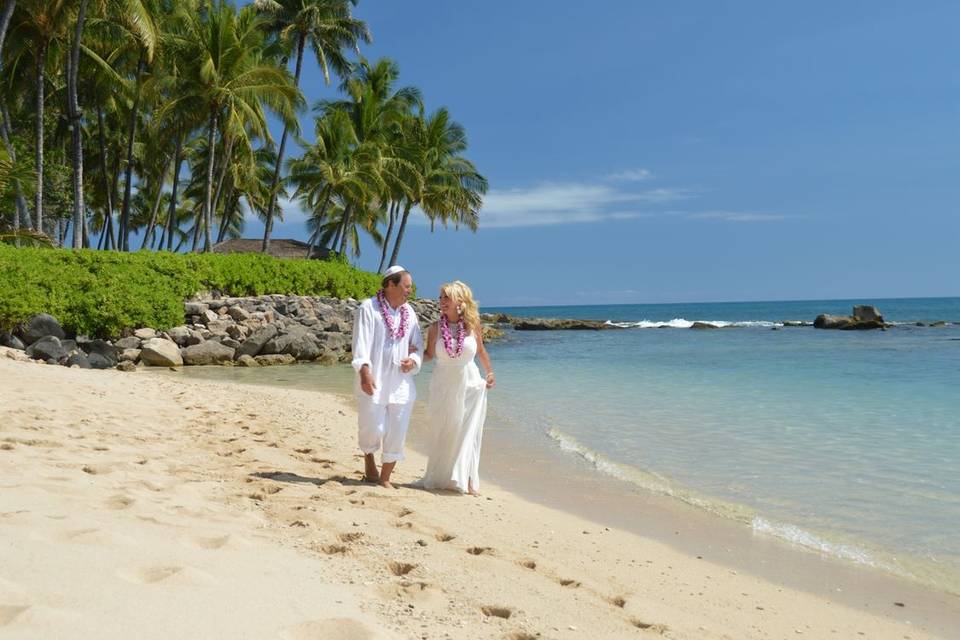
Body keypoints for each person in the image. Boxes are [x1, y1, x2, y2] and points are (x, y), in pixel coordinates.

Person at [351, 265, 424, 488]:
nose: (409, 291)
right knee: (372, 427)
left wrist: (413, 360)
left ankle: (385, 478)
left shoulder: (409, 312)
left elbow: (418, 345)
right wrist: (364, 372)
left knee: (397, 429)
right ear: (391, 284)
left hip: (400, 382)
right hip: (374, 378)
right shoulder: (368, 308)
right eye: (406, 286)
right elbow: (360, 343)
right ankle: (369, 458)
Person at [421, 281, 495, 495]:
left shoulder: (473, 326)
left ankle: (469, 479)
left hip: (471, 383)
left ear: (460, 301)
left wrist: (489, 372)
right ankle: (444, 475)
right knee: (445, 430)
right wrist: (412, 356)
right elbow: (428, 355)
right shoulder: (435, 328)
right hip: (443, 384)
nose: (441, 301)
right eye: (441, 297)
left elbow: (481, 351)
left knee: (468, 431)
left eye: (446, 297)